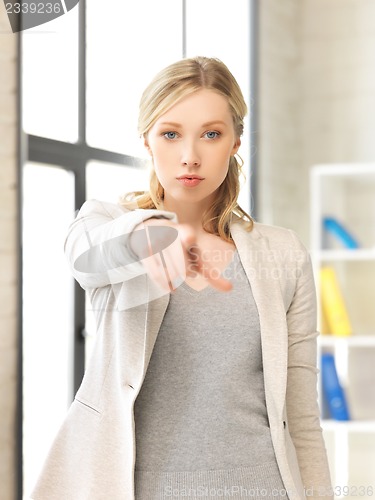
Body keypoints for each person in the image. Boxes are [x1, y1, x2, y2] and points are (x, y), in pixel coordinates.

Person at [31, 57, 333, 500]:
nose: (190, 155)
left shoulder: (283, 254)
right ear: (148, 142)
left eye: (211, 134)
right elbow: (86, 258)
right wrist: (150, 236)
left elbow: (302, 417)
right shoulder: (108, 223)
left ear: (234, 143)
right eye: (170, 134)